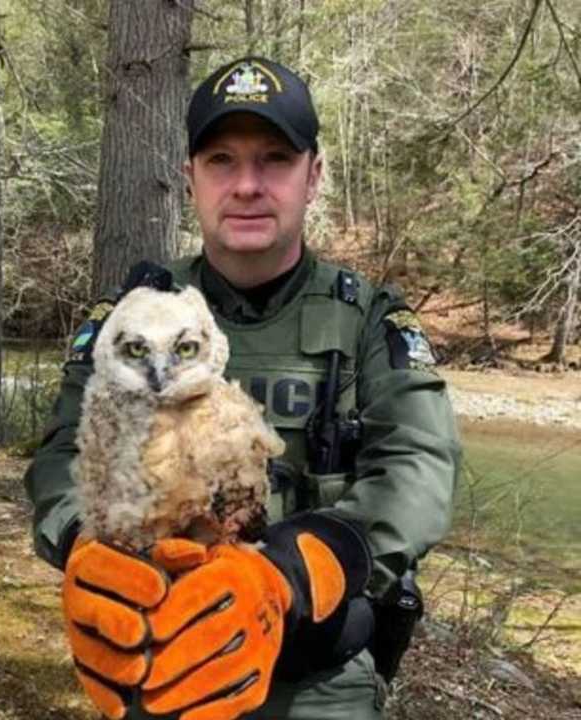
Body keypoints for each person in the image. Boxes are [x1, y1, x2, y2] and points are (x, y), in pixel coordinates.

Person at [24, 56, 461, 720]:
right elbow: (63, 454)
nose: (248, 185)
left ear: (313, 175)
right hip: (160, 666)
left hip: (318, 681)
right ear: (189, 179)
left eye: (275, 159)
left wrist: (295, 567)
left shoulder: (371, 318)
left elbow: (421, 467)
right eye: (222, 160)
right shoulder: (133, 318)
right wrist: (83, 540)